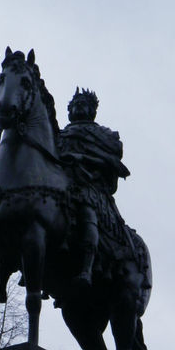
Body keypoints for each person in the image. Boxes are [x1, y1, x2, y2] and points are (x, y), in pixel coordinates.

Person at [58, 87, 131, 286]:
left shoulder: (104, 135)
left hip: (90, 185)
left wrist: (80, 157)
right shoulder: (59, 134)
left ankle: (86, 268)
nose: (78, 106)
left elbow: (111, 161)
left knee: (86, 211)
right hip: (61, 184)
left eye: (83, 103)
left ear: (92, 110)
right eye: (75, 104)